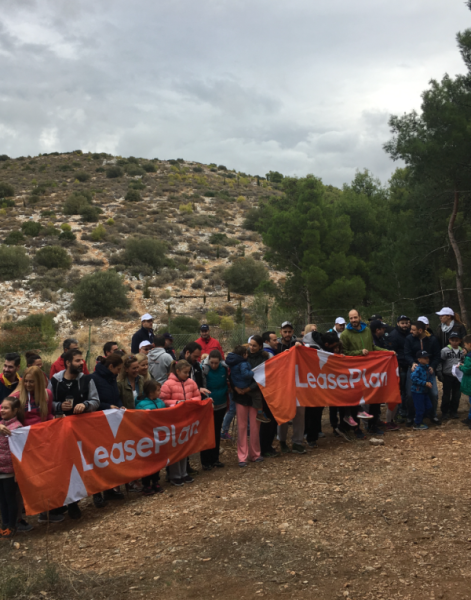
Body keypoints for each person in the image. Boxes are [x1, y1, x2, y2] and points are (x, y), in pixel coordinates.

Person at [49, 349, 99, 520]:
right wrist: (58, 407)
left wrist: (85, 405)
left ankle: (97, 493)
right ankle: (72, 503)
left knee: (89, 462)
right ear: (68, 362)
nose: (81, 363)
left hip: (83, 430)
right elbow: (48, 402)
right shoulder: (55, 381)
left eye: (82, 360)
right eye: (77, 360)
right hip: (62, 431)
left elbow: (95, 401)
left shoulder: (87, 379)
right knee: (68, 465)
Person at [340, 309, 391, 435]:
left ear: (360, 317)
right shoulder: (345, 334)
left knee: (374, 398)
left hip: (370, 370)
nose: (353, 320)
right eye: (351, 318)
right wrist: (359, 352)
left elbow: (372, 347)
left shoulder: (367, 330)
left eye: (355, 317)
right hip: (355, 371)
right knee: (356, 400)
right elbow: (344, 352)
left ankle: (373, 425)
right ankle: (357, 429)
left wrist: (387, 352)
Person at [90, 354, 124, 507]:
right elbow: (94, 401)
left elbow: (116, 396)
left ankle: (110, 489)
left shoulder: (112, 378)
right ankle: (97, 493)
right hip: (98, 423)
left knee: (110, 456)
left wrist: (119, 405)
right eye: (118, 369)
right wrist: (107, 406)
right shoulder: (93, 379)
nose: (119, 372)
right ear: (111, 367)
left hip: (112, 422)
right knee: (98, 459)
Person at [160, 360, 202, 486]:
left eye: (188, 372)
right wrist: (177, 403)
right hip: (174, 420)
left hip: (187, 419)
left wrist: (189, 401)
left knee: (184, 446)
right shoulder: (168, 384)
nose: (187, 375)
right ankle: (174, 475)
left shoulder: (191, 382)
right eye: (185, 372)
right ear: (177, 371)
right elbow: (163, 400)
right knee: (175, 448)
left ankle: (183, 472)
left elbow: (198, 396)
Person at [229, 336, 267, 467]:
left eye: (254, 345)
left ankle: (255, 454)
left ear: (260, 346)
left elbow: (262, 377)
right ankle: (242, 456)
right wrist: (235, 388)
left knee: (255, 427)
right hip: (240, 396)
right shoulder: (240, 356)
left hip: (254, 395)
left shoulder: (263, 359)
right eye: (250, 345)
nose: (251, 348)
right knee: (242, 426)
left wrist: (248, 389)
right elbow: (231, 374)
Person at [404, 321, 441, 427]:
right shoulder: (409, 339)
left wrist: (432, 366)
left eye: (413, 330)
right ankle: (411, 416)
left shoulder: (432, 339)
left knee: (433, 393)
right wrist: (412, 363)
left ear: (420, 330)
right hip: (414, 369)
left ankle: (432, 415)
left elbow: (437, 356)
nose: (411, 331)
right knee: (410, 394)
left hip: (428, 370)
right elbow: (406, 354)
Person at [200, 350, 230, 470]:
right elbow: (203, 385)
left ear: (220, 361)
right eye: (211, 362)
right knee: (207, 433)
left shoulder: (224, 368)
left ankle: (215, 459)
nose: (213, 365)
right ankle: (205, 461)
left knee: (217, 431)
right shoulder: (204, 369)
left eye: (216, 363)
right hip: (209, 405)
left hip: (221, 404)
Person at [135, 379, 166, 495]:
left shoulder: (160, 403)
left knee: (157, 459)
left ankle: (155, 481)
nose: (160, 392)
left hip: (158, 436)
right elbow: (138, 420)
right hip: (147, 437)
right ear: (151, 392)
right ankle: (146, 484)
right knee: (147, 461)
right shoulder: (141, 405)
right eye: (158, 390)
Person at [226, 346, 270, 424]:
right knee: (257, 396)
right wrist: (252, 373)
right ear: (243, 355)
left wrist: (235, 387)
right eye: (246, 353)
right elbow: (245, 374)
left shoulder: (233, 362)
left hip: (237, 384)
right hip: (244, 385)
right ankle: (260, 413)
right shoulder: (243, 363)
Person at [0, 397, 23, 538]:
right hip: (0, 470)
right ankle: (4, 524)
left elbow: (19, 452)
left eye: (6, 408)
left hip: (10, 471)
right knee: (2, 499)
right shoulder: (1, 424)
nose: (2, 410)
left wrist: (17, 472)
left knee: (10, 499)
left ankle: (12, 526)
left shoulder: (17, 428)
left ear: (15, 411)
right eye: (1, 407)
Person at [386, 316, 411, 425]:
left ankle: (405, 410)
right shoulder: (393, 335)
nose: (404, 325)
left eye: (406, 323)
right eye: (402, 323)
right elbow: (391, 351)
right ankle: (398, 413)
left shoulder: (410, 333)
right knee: (399, 391)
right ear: (398, 324)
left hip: (409, 365)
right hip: (399, 366)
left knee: (407, 391)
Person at [440, 332, 465, 420]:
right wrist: (440, 373)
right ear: (449, 340)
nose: (454, 342)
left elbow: (463, 361)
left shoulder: (462, 351)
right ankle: (444, 412)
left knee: (456, 394)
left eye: (456, 340)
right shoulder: (444, 350)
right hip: (447, 375)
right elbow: (441, 362)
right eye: (453, 340)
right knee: (446, 394)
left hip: (458, 376)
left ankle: (453, 410)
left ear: (460, 341)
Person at [410, 351, 434, 430]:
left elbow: (430, 377)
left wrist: (430, 382)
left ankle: (420, 419)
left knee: (429, 406)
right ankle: (417, 423)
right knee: (420, 408)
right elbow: (413, 378)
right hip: (417, 392)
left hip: (424, 391)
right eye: (425, 358)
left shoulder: (428, 368)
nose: (427, 359)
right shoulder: (417, 368)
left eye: (427, 358)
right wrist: (424, 383)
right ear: (419, 359)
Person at [459, 334, 471, 428]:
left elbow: (467, 369)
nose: (464, 347)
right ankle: (469, 418)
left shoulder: (469, 356)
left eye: (465, 345)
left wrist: (461, 367)